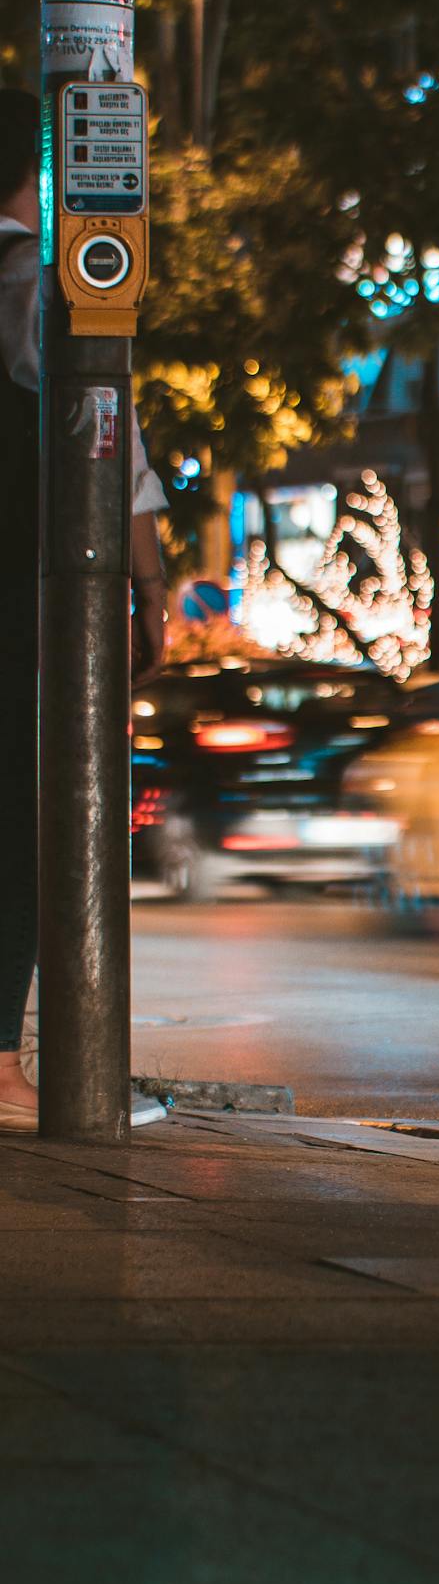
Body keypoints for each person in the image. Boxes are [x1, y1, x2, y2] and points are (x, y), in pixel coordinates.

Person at [0, 87, 169, 1131]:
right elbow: (111, 435)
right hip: (21, 597)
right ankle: (2, 1071)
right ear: (39, 167)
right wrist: (149, 588)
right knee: (19, 819)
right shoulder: (34, 286)